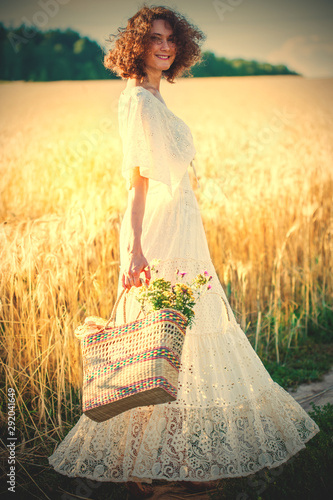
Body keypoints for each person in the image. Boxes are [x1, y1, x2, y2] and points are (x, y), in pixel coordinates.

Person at [48, 5, 320, 499]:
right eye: (154, 38)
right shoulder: (137, 101)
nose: (165, 46)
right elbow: (135, 183)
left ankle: (170, 458)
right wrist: (134, 250)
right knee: (158, 340)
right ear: (137, 45)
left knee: (179, 339)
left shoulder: (155, 97)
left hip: (183, 226)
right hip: (159, 233)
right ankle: (150, 462)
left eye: (172, 39)